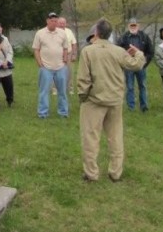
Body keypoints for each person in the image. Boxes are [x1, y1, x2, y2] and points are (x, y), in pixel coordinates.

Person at [77, 18, 146, 182]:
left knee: (90, 138)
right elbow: (136, 65)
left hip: (94, 101)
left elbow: (83, 79)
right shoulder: (118, 51)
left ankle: (91, 173)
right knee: (115, 137)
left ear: (96, 33)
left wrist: (83, 96)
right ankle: (116, 173)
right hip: (114, 100)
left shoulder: (88, 51)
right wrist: (138, 52)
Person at [33, 12, 69, 119]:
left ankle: (63, 113)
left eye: (56, 21)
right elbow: (36, 49)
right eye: (52, 21)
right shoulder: (40, 33)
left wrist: (65, 60)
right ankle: (43, 113)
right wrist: (40, 63)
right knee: (44, 91)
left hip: (60, 67)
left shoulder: (62, 33)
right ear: (47, 21)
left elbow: (65, 48)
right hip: (46, 68)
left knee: (62, 91)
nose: (54, 23)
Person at [117, 18, 154, 112]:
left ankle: (144, 107)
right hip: (128, 67)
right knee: (129, 87)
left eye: (135, 25)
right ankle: (131, 108)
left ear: (138, 26)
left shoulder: (144, 36)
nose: (133, 27)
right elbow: (117, 51)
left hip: (141, 67)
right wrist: (126, 54)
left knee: (142, 86)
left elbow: (150, 51)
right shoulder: (123, 37)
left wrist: (145, 62)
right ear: (128, 26)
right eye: (131, 25)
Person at [0, 23, 14, 108]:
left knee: (9, 86)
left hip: (7, 67)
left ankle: (10, 101)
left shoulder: (5, 39)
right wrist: (1, 63)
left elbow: (10, 51)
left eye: (0, 29)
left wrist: (7, 61)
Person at [58, 17, 77, 94]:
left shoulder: (69, 31)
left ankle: (70, 89)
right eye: (60, 23)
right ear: (57, 23)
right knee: (56, 72)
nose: (62, 24)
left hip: (68, 54)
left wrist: (74, 55)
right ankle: (55, 89)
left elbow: (74, 44)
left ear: (65, 24)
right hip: (57, 55)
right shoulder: (54, 32)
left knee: (69, 72)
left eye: (63, 23)